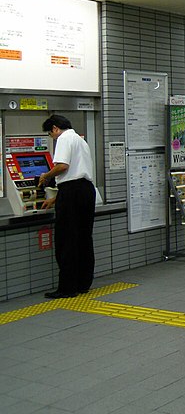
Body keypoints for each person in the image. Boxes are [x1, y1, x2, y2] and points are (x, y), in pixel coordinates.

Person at [38, 115, 96, 299]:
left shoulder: (63, 138)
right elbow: (76, 175)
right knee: (83, 238)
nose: (52, 137)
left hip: (72, 193)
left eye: (50, 133)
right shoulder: (80, 140)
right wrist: (55, 199)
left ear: (55, 128)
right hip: (86, 192)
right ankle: (83, 283)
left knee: (66, 240)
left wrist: (46, 175)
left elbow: (63, 166)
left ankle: (67, 288)